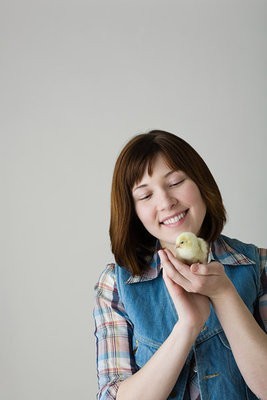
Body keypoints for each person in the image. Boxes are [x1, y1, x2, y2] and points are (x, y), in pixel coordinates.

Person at [93, 130, 267, 400]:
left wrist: (224, 294)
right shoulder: (115, 284)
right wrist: (188, 326)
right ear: (134, 211)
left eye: (175, 182)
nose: (165, 201)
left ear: (200, 183)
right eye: (145, 195)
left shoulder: (259, 265)